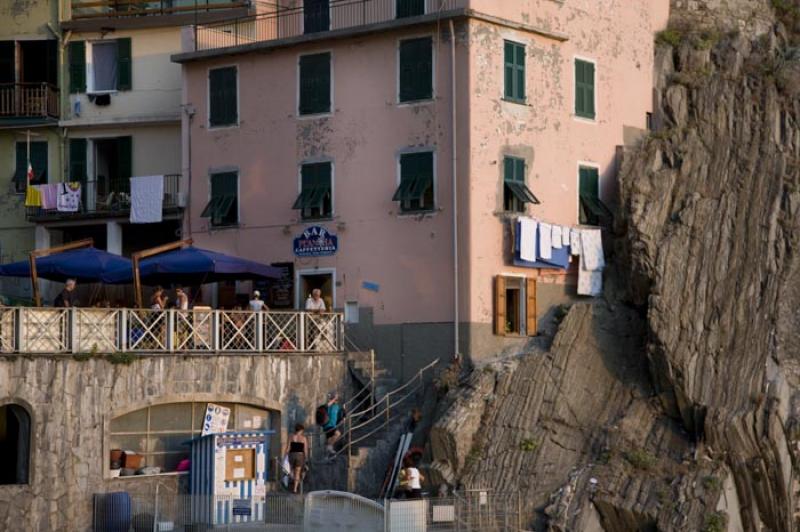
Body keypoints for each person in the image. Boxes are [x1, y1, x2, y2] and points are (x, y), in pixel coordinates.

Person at [282, 423, 309, 494]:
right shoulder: (303, 438)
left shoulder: (291, 436)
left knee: (291, 471)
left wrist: (285, 457)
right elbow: (305, 449)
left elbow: (287, 448)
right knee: (297, 472)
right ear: (301, 430)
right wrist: (306, 458)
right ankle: (295, 489)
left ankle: (290, 482)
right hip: (300, 456)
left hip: (292, 455)